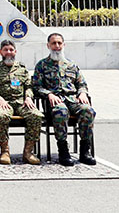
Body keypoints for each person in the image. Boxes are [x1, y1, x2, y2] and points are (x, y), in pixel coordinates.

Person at [33, 32, 97, 166]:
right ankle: (63, 151)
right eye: (53, 43)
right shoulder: (42, 65)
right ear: (48, 45)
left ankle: (85, 151)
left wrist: (82, 93)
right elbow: (36, 86)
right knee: (61, 112)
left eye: (59, 43)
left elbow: (82, 84)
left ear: (64, 45)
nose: (57, 46)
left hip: (73, 99)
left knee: (88, 111)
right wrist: (49, 94)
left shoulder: (71, 65)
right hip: (55, 100)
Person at [0, 39, 42, 165]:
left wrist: (28, 97)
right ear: (0, 52)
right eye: (5, 50)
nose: (9, 52)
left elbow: (28, 86)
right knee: (0, 116)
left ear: (15, 51)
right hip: (4, 103)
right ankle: (4, 151)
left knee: (36, 115)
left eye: (11, 49)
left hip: (22, 102)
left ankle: (28, 152)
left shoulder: (22, 68)